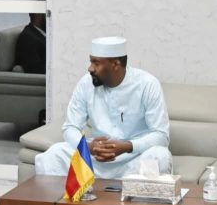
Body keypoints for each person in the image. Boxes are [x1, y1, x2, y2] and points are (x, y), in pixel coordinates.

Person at [34, 36, 171, 179]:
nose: (90, 68)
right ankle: (70, 193)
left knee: (160, 156)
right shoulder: (85, 84)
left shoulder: (147, 84)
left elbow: (161, 135)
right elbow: (70, 127)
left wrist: (127, 146)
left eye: (96, 63)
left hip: (132, 159)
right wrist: (89, 147)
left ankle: (132, 189)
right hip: (95, 158)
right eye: (91, 61)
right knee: (54, 154)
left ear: (115, 64)